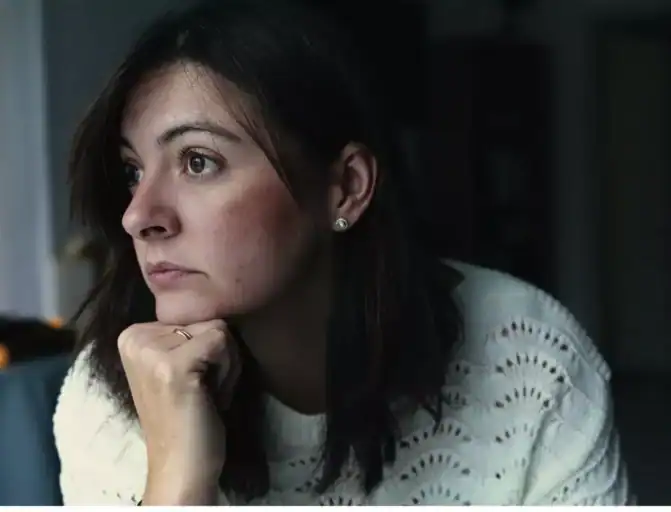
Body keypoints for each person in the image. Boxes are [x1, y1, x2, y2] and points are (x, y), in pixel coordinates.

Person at [52, 0, 632, 505]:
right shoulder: (114, 394)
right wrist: (178, 479)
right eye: (133, 171)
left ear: (347, 187)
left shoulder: (529, 359)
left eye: (198, 161)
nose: (138, 215)